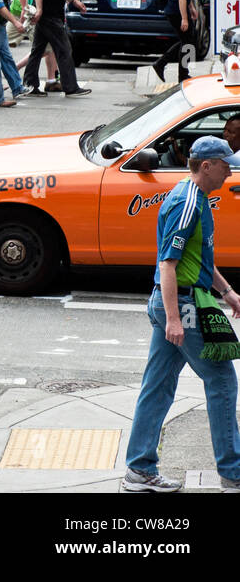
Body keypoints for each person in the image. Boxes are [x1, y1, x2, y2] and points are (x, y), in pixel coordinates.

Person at [123, 137, 240, 493]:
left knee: (157, 387)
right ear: (206, 166)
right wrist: (174, 318)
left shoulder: (194, 196)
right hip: (183, 306)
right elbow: (168, 263)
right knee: (221, 382)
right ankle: (233, 473)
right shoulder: (188, 202)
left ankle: (139, 470)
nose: (229, 170)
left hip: (177, 303)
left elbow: (197, 260)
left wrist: (227, 291)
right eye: (225, 164)